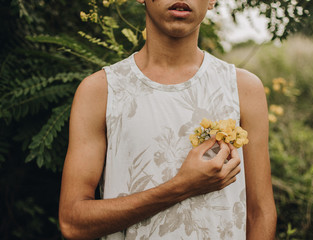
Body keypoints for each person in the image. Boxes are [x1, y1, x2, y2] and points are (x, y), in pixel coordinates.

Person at [59, 0, 277, 239]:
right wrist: (181, 187)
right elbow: (73, 223)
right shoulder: (101, 91)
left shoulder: (242, 88)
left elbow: (260, 213)